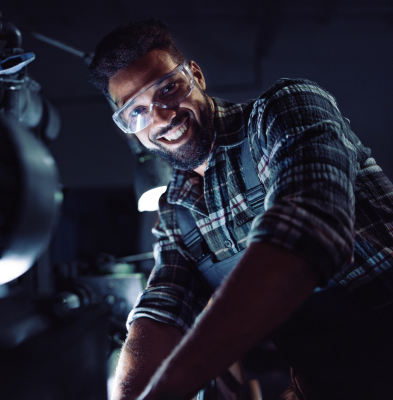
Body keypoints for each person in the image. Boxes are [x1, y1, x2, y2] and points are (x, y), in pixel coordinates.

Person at [88, 19, 393, 400]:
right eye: (137, 112)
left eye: (168, 88)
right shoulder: (176, 210)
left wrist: (166, 391)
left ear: (195, 75)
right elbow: (163, 311)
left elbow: (309, 236)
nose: (162, 116)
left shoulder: (283, 111)